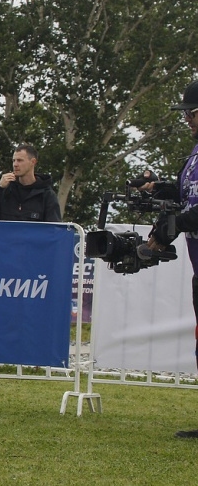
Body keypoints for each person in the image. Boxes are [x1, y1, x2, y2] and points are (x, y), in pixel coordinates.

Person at [147, 80, 198, 438]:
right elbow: (187, 197)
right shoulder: (194, 154)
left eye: (191, 114)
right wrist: (157, 189)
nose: (187, 120)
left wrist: (175, 225)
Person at [0, 144, 61, 222]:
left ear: (33, 162)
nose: (15, 164)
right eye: (14, 160)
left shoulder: (47, 195)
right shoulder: (6, 190)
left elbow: (53, 229)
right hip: (7, 236)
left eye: (20, 160)